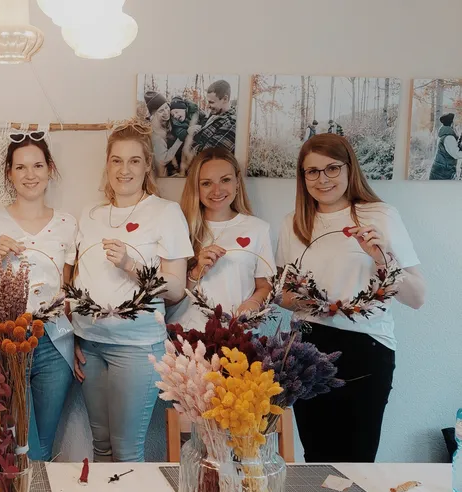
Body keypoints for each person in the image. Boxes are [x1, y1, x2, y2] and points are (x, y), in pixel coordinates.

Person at [276, 134, 427, 462]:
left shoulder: (379, 216)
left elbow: (417, 297)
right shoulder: (294, 224)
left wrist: (381, 258)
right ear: (302, 178)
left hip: (366, 350)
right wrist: (311, 303)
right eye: (312, 172)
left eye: (332, 168)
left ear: (349, 168)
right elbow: (283, 294)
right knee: (317, 460)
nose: (323, 179)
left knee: (357, 464)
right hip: (306, 349)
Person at [71, 120, 191, 462]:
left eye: (134, 160)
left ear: (147, 165)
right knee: (101, 446)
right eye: (117, 160)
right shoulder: (90, 214)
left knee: (126, 451)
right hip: (90, 346)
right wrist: (75, 337)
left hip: (137, 346)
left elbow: (177, 287)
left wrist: (131, 265)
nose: (124, 169)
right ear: (107, 164)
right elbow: (83, 279)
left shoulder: (166, 213)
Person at [0, 133, 76, 461]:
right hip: (2, 342)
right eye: (21, 167)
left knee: (43, 438)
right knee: (19, 442)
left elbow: (68, 291)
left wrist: (81, 341)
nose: (30, 174)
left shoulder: (68, 224)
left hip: (54, 343)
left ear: (50, 169)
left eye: (38, 165)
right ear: (9, 174)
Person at [169, 147, 274, 331]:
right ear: (196, 187)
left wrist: (252, 303)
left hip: (237, 335)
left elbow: (265, 286)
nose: (217, 191)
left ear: (237, 182)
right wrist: (197, 271)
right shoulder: (178, 226)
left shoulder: (258, 229)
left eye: (225, 180)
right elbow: (169, 296)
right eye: (207, 183)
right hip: (186, 334)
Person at [190, 80, 237, 155]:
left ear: (225, 99)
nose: (208, 106)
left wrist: (190, 138)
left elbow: (206, 155)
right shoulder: (216, 115)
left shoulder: (231, 124)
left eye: (211, 102)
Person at [144, 92, 185, 178]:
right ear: (153, 114)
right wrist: (180, 140)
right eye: (161, 111)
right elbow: (163, 160)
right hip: (166, 172)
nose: (166, 112)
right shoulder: (155, 134)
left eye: (166, 107)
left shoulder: (172, 116)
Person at [429, 113, 461, 180]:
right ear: (451, 123)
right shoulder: (449, 137)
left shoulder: (445, 135)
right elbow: (456, 154)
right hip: (442, 174)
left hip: (440, 172)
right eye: (455, 123)